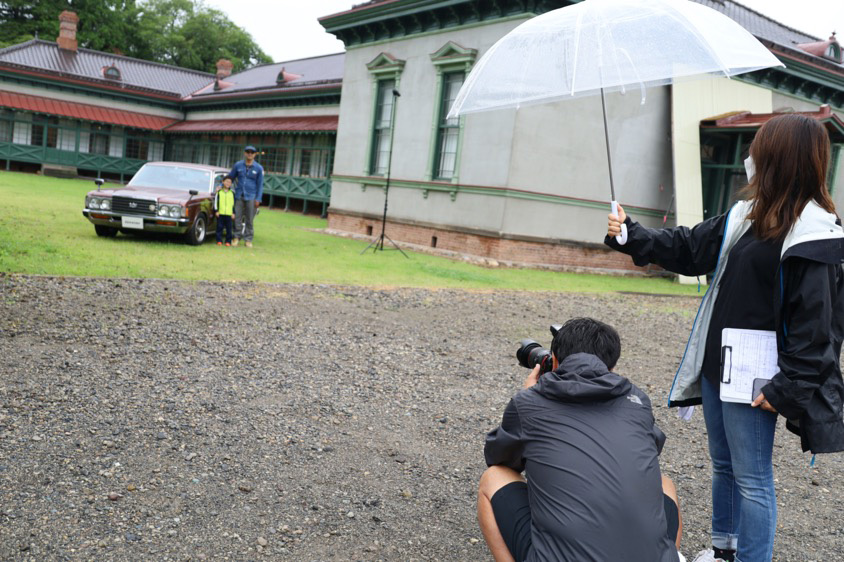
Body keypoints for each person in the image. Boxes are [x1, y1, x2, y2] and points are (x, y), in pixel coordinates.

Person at [605, 114, 844, 562]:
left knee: (753, 479)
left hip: (758, 380)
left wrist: (788, 388)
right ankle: (724, 552)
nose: (751, 156)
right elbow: (688, 246)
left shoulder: (815, 234)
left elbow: (818, 327)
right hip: (719, 367)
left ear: (780, 157)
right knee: (724, 466)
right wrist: (631, 234)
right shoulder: (746, 216)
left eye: (758, 148)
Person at [478, 317, 684, 562]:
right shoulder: (637, 401)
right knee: (664, 484)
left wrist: (530, 398)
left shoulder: (530, 402)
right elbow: (650, 450)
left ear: (554, 361)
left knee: (493, 477)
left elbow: (498, 457)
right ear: (612, 367)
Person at [227, 145, 264, 248]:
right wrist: (221, 186)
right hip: (239, 195)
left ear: (255, 154)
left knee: (249, 219)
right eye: (248, 152)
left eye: (252, 152)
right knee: (237, 217)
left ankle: (248, 239)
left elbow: (260, 185)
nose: (250, 154)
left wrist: (258, 199)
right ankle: (236, 237)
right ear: (244, 153)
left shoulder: (258, 168)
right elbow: (230, 177)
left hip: (251, 196)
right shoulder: (238, 165)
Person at [214, 177, 235, 246]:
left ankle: (228, 241)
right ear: (223, 182)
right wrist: (216, 210)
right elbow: (216, 202)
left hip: (229, 214)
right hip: (221, 213)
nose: (228, 183)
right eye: (226, 181)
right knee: (219, 227)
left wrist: (233, 212)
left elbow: (233, 204)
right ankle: (219, 240)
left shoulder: (232, 193)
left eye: (229, 182)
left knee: (229, 228)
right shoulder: (219, 192)